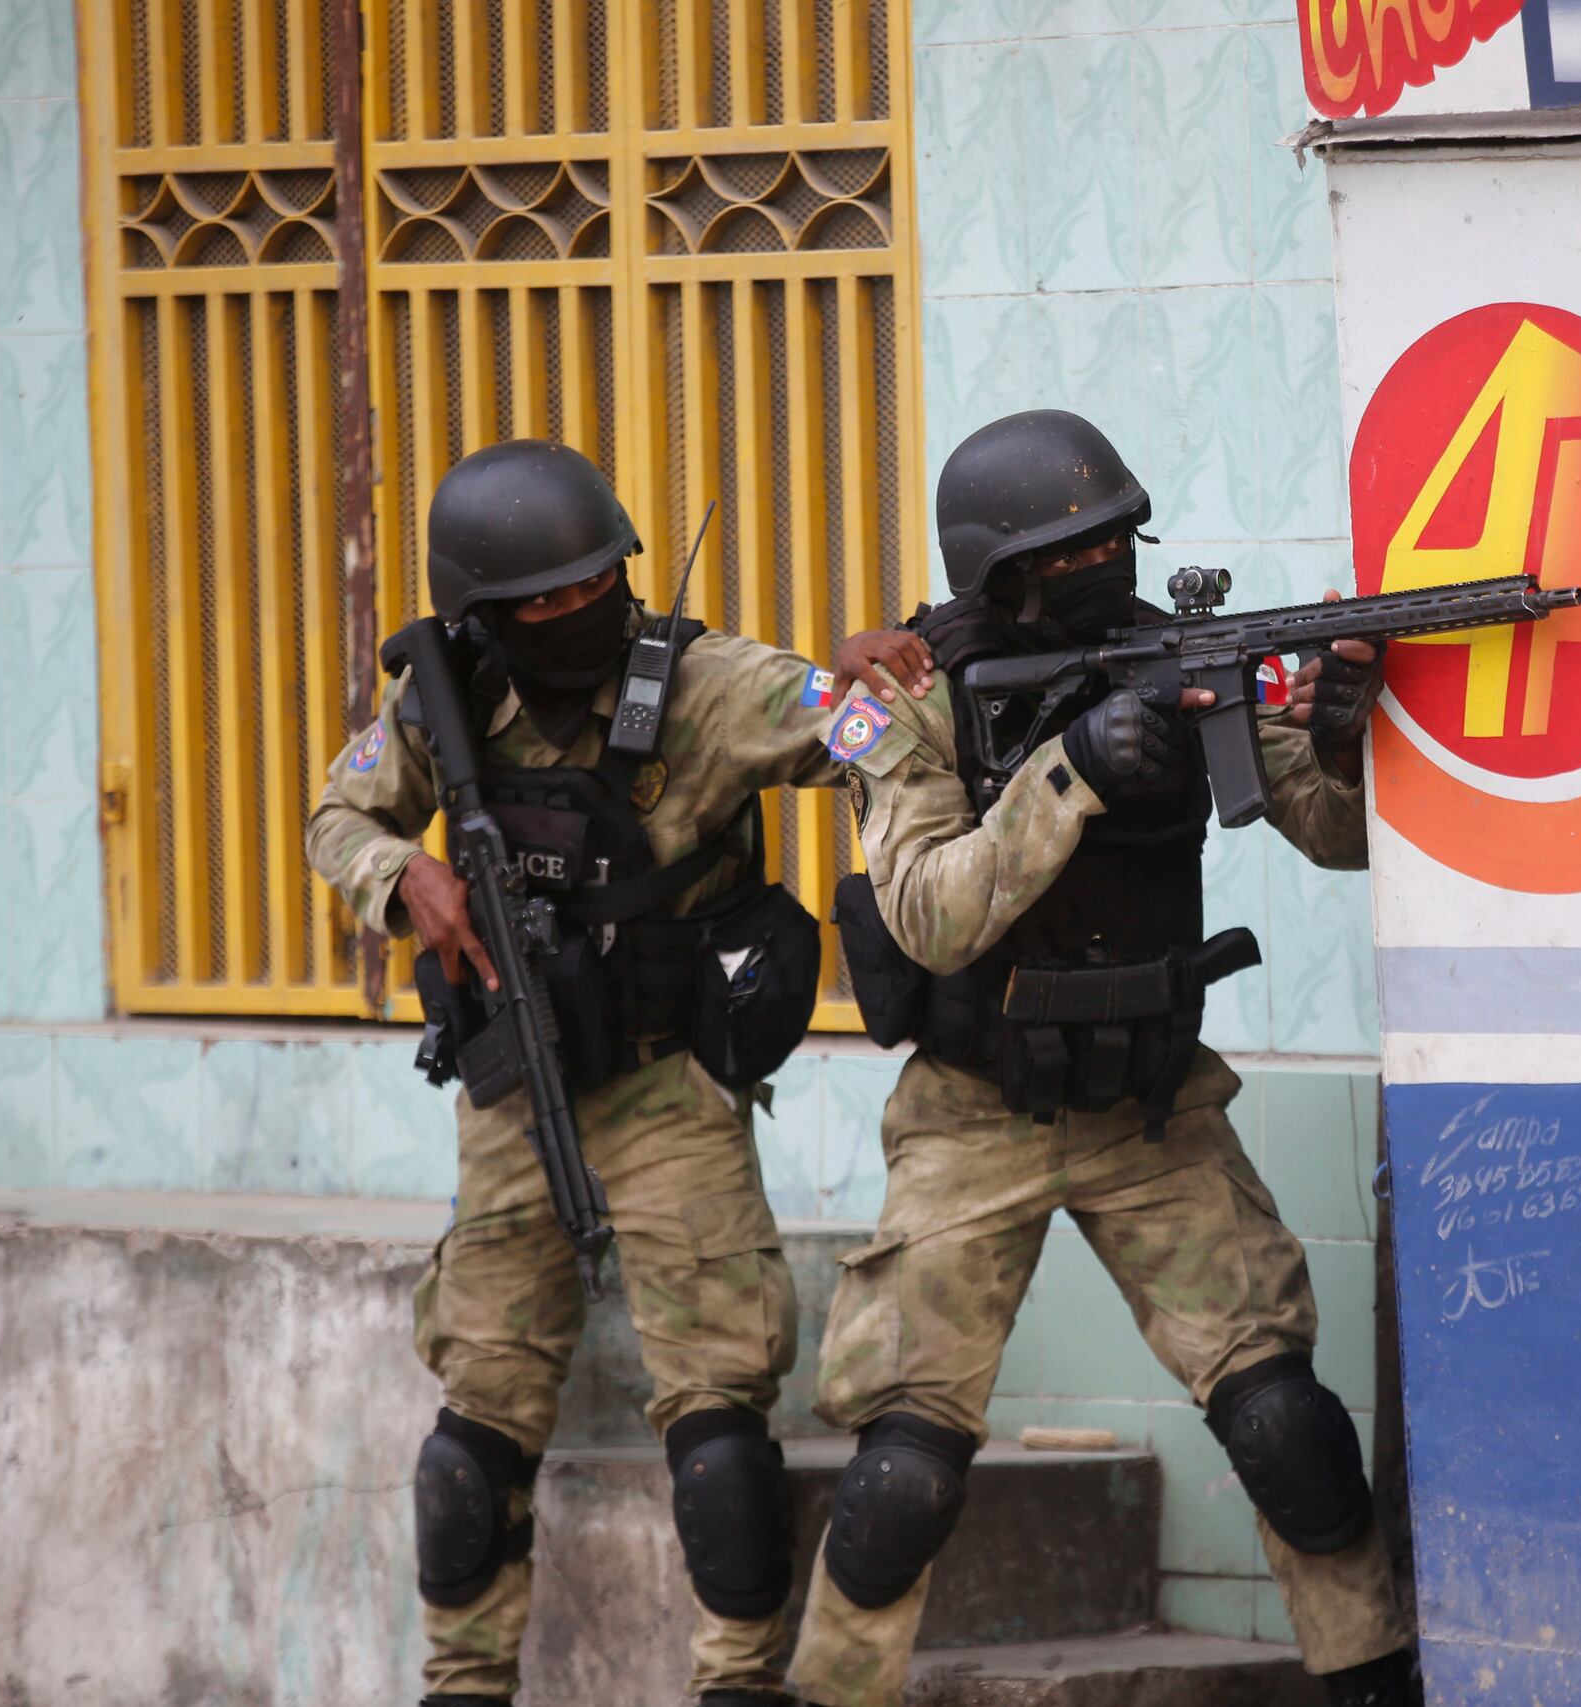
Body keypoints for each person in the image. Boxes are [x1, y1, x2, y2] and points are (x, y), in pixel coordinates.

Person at [787, 410, 1420, 1707]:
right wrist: (1067, 771)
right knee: (901, 1477)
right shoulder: (901, 698)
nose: (1101, 564)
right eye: (1066, 550)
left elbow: (1333, 832)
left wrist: (1349, 738)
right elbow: (927, 911)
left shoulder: (1180, 657)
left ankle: (1373, 1675)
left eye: (1115, 536)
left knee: (1289, 1427)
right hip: (973, 1114)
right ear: (998, 572)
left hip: (1156, 1106)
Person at [305, 439, 932, 1707]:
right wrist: (401, 874)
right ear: (481, 612)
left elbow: (868, 732)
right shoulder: (444, 700)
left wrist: (883, 670)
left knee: (717, 1438)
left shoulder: (704, 684)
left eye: (588, 585)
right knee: (473, 1432)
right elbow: (337, 817)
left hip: (665, 1092)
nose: (567, 614)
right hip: (509, 1088)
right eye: (534, 602)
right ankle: (462, 1683)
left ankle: (737, 1684)